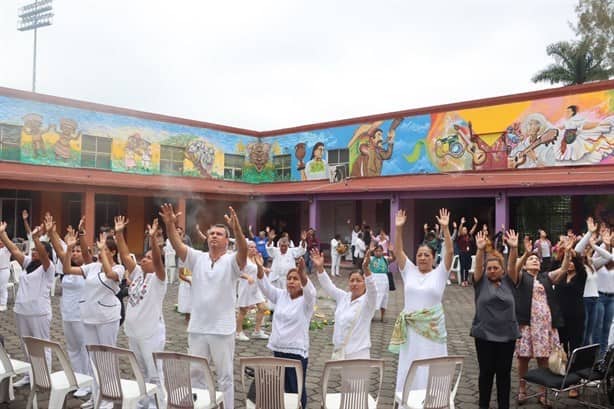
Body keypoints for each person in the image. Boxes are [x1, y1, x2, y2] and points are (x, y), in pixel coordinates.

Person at [159, 204, 247, 409]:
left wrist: (237, 229)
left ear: (227, 240)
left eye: (219, 234)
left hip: (222, 329)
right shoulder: (197, 258)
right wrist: (170, 224)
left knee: (224, 376)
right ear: (207, 238)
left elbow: (242, 251)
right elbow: (176, 244)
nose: (214, 236)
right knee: (196, 373)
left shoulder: (231, 262)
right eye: (211, 233)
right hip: (198, 327)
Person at [391, 208, 453, 393]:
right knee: (411, 363)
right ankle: (407, 400)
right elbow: (398, 250)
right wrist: (399, 229)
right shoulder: (408, 270)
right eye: (419, 255)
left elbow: (449, 251)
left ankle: (434, 400)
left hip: (433, 331)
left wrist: (446, 228)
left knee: (432, 364)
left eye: (427, 255)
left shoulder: (440, 273)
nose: (423, 258)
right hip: (411, 332)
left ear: (434, 258)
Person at [63, 227, 124, 409]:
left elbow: (109, 275)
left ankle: (109, 398)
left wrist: (103, 254)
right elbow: (67, 269)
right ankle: (96, 394)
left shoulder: (119, 268)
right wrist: (69, 249)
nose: (100, 252)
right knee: (93, 359)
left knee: (106, 359)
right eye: (99, 249)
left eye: (105, 249)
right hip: (88, 316)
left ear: (113, 252)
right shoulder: (91, 267)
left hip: (107, 318)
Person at [512, 235, 572, 406]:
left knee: (543, 359)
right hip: (527, 325)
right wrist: (525, 253)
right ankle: (522, 390)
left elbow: (563, 269)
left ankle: (542, 392)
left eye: (536, 259)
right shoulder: (521, 277)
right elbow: (514, 269)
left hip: (545, 327)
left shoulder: (546, 277)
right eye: (531, 259)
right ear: (525, 264)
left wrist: (567, 252)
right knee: (523, 358)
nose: (535, 261)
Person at [115, 216, 166, 409]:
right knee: (141, 371)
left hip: (151, 334)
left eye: (149, 258)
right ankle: (144, 400)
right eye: (144, 257)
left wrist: (153, 238)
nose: (144, 259)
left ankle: (158, 403)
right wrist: (119, 234)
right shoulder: (137, 274)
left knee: (154, 373)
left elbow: (159, 262)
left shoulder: (159, 279)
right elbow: (126, 255)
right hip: (134, 332)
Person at [0, 220, 54, 388]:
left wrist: (36, 238)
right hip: (21, 311)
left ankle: (44, 377)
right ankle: (30, 374)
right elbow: (13, 249)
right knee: (26, 345)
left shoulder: (48, 267)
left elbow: (44, 255)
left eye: (36, 250)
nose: (33, 252)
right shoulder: (29, 263)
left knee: (41, 345)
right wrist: (2, 233)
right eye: (33, 250)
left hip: (38, 313)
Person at [256, 255, 315, 409]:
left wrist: (302, 274)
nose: (291, 281)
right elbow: (265, 287)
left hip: (296, 352)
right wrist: (260, 268)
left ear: (301, 283)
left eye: (295, 279)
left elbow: (312, 293)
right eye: (289, 278)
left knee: (296, 390)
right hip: (278, 349)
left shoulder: (306, 302)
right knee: (282, 390)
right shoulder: (282, 295)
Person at [471, 230, 521, 409]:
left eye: (495, 268)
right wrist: (480, 250)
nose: (491, 271)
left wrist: (514, 248)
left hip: (507, 336)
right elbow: (478, 266)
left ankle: (503, 406)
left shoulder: (510, 281)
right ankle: (483, 405)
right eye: (489, 268)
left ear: (502, 269)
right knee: (485, 373)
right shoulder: (480, 281)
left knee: (504, 374)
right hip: (484, 336)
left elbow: (513, 264)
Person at [46, 215, 90, 398]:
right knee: (72, 349)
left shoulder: (88, 267)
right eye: (74, 251)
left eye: (78, 251)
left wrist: (81, 234)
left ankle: (88, 382)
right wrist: (52, 232)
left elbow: (86, 252)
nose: (75, 253)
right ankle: (77, 380)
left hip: (82, 315)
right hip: (67, 314)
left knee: (83, 349)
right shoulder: (67, 267)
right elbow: (58, 247)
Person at [314, 248, 377, 358]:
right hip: (340, 351)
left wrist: (366, 269)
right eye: (352, 280)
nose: (355, 283)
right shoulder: (343, 297)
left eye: (358, 280)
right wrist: (320, 268)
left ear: (365, 283)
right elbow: (329, 287)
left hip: (358, 353)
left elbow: (373, 290)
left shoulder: (368, 302)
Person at [236, 240, 269, 341]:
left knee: (263, 307)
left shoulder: (255, 258)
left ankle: (257, 331)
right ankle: (238, 332)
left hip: (255, 288)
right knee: (243, 310)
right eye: (251, 247)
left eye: (255, 247)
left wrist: (264, 269)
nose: (254, 249)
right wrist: (247, 277)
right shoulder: (242, 258)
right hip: (245, 287)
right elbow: (238, 271)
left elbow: (258, 268)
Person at [369, 244, 396, 322]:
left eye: (380, 251)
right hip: (374, 279)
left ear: (382, 252)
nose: (378, 252)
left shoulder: (385, 258)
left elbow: (394, 259)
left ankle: (382, 317)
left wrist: (391, 252)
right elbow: (365, 259)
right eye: (376, 251)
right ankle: (371, 316)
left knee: (384, 297)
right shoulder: (371, 258)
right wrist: (369, 251)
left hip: (384, 280)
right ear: (374, 252)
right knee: (373, 297)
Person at [457, 217, 477, 287]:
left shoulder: (469, 236)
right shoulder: (460, 236)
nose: (465, 230)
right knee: (462, 267)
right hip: (462, 253)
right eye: (463, 229)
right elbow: (459, 230)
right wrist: (461, 224)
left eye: (465, 229)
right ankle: (462, 280)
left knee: (467, 267)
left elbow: (472, 230)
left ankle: (466, 280)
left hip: (468, 253)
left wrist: (476, 224)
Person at [0, 237, 11, 312]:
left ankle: (3, 304)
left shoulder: (7, 249)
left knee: (2, 288)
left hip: (4, 270)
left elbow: (9, 243)